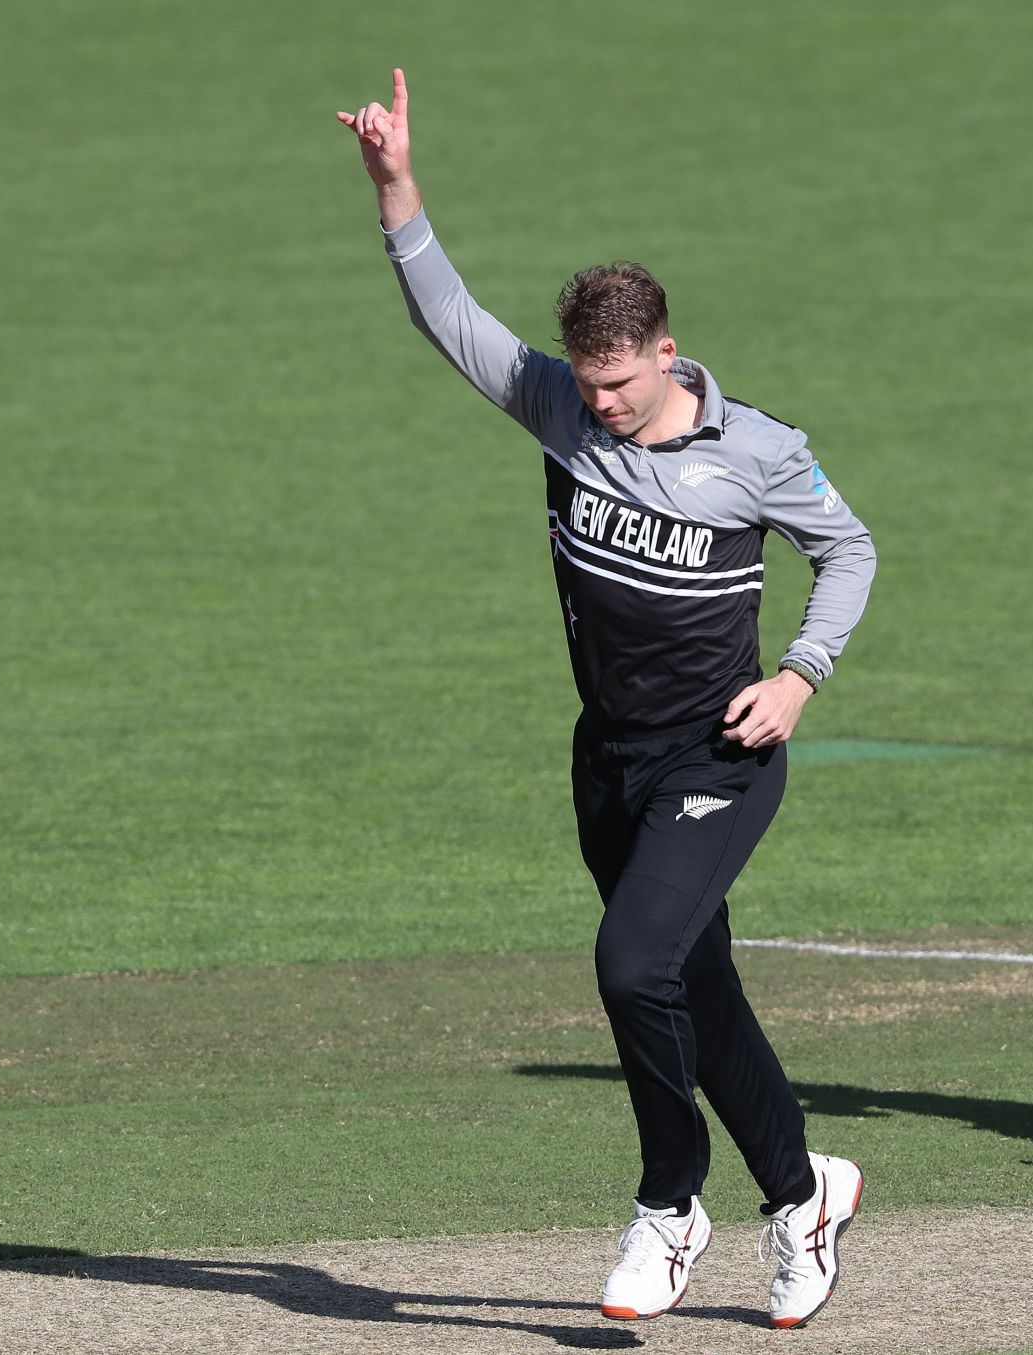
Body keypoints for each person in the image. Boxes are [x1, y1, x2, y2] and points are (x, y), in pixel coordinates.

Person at [338, 70, 873, 1327]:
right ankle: (804, 1195)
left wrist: (798, 675)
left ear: (668, 355)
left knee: (633, 967)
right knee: (700, 988)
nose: (603, 406)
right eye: (587, 385)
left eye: (622, 386)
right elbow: (447, 316)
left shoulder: (760, 452)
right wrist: (395, 186)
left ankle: (669, 1198)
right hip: (610, 760)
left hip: (720, 752)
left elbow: (849, 552)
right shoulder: (559, 407)